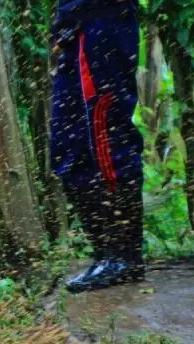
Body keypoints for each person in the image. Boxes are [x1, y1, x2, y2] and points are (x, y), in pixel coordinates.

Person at [51, 0, 146, 293]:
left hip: (102, 22)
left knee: (105, 134)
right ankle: (104, 253)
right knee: (68, 146)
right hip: (75, 28)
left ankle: (123, 255)